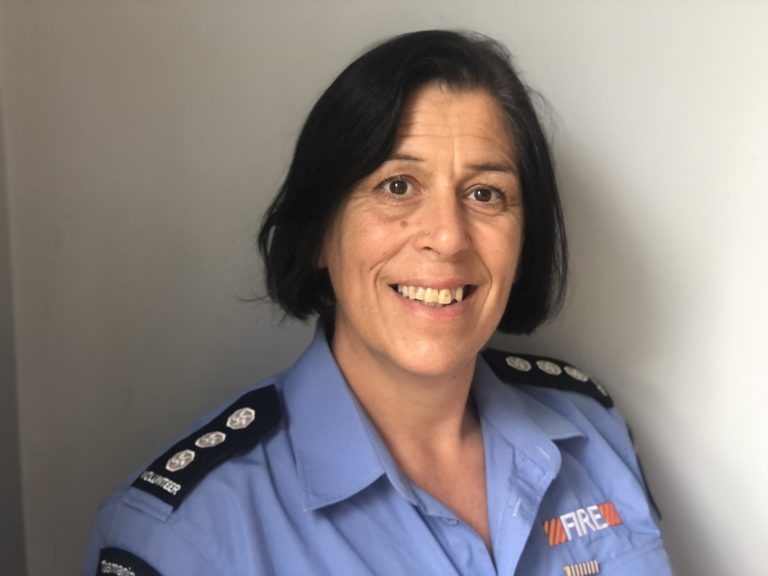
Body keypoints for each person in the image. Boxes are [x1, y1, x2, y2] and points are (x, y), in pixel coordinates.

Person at [84, 30, 673, 575]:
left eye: (485, 193)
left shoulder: (593, 431)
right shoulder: (179, 538)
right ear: (319, 232)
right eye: (398, 186)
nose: (448, 237)